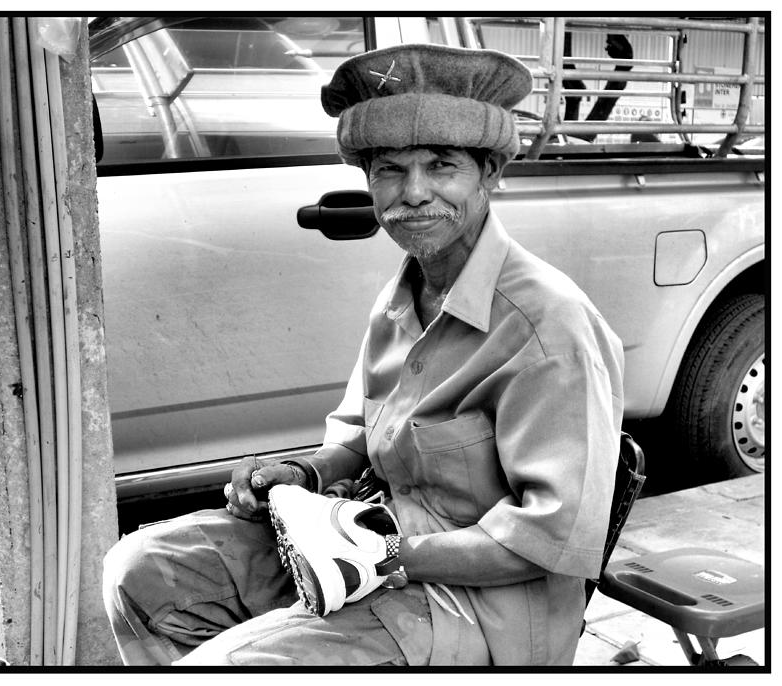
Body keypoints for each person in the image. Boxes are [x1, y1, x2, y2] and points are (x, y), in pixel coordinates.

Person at [102, 43, 625, 666]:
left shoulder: (548, 325)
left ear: (489, 174)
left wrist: (388, 556)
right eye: (389, 170)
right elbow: (358, 442)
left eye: (442, 166)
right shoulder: (400, 299)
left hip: (481, 608)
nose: (413, 193)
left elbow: (552, 537)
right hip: (362, 549)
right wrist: (301, 476)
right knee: (143, 574)